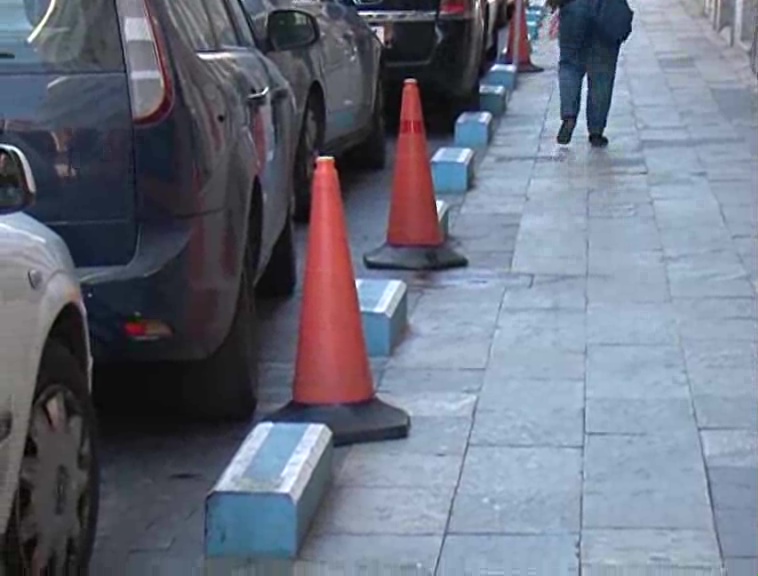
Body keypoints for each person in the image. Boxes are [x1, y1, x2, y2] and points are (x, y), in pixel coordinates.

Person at [548, 0, 622, 148]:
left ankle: (569, 115)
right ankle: (596, 131)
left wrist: (554, 5)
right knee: (602, 74)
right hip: (606, 9)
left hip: (573, 8)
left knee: (570, 66)